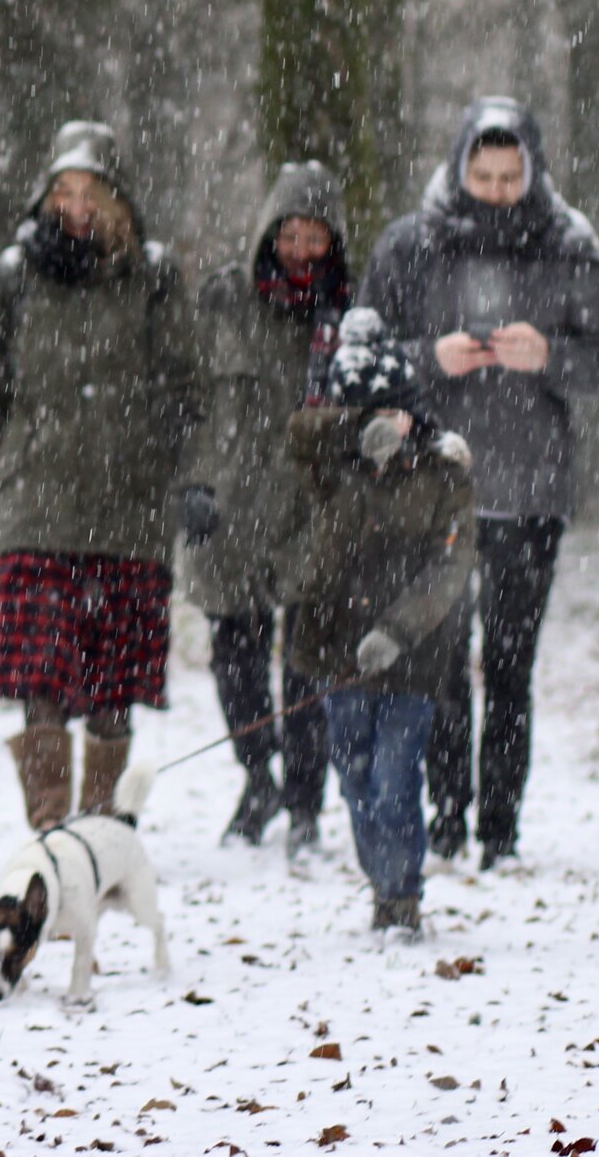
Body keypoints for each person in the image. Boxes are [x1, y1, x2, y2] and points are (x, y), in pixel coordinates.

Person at [354, 97, 599, 869]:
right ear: (459, 166)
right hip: (436, 483)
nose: (498, 188)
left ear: (532, 170)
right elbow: (359, 356)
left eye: (511, 175)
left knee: (510, 665)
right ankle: (446, 819)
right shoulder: (412, 242)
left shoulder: (570, 243)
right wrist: (426, 359)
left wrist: (550, 356)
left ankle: (499, 831)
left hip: (531, 490)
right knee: (440, 659)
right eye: (484, 173)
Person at [0, 121, 199, 832]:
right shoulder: (13, 276)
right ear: (46, 194)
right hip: (38, 505)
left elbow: (188, 391)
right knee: (41, 679)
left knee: (113, 687)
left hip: (130, 508)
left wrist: (194, 482)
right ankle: (52, 835)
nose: (77, 205)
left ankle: (102, 830)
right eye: (64, 189)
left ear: (117, 197)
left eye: (91, 191)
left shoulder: (154, 275)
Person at [283, 311, 476, 937]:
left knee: (396, 780)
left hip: (412, 655)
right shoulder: (331, 467)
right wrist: (357, 428)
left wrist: (396, 631)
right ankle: (382, 882)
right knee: (356, 778)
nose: (387, 422)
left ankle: (402, 896)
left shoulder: (444, 472)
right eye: (372, 410)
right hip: (337, 650)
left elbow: (450, 567)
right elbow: (297, 434)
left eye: (393, 410)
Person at [178, 162, 350, 853]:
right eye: (291, 233)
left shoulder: (348, 315)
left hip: (314, 504)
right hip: (229, 501)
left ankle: (307, 797)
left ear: (333, 244)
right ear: (269, 232)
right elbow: (186, 397)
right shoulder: (222, 298)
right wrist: (190, 480)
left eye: (316, 237)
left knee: (306, 657)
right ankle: (259, 777)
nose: (302, 249)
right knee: (234, 656)